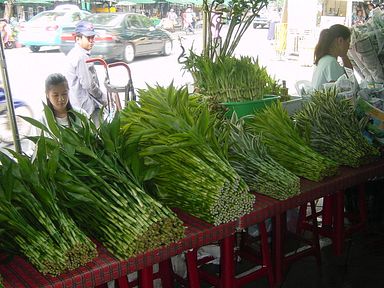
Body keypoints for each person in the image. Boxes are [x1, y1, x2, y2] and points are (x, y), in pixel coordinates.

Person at [65, 20, 107, 127]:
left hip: (79, 105)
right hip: (86, 107)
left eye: (93, 37)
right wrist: (104, 99)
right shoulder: (81, 56)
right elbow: (89, 85)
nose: (92, 41)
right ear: (78, 39)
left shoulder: (77, 53)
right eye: (88, 38)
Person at [311, 24, 353, 90]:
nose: (349, 46)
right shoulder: (331, 62)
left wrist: (344, 54)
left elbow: (349, 73)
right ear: (340, 41)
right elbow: (343, 90)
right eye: (348, 42)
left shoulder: (324, 59)